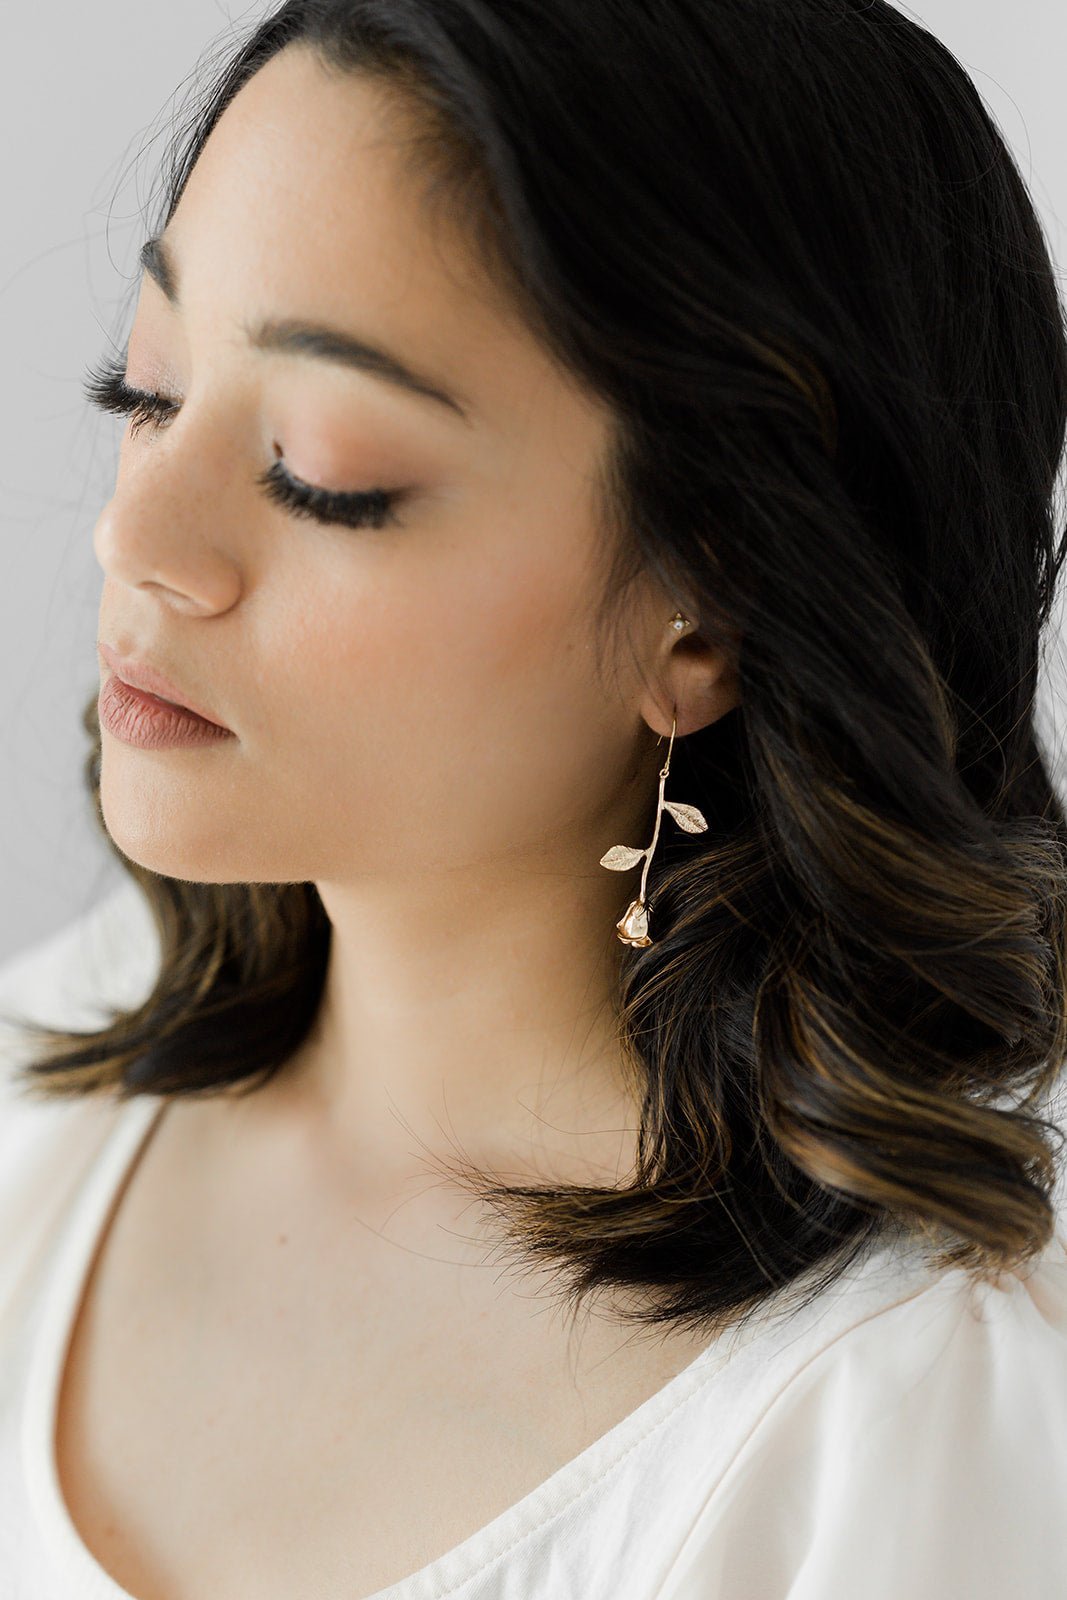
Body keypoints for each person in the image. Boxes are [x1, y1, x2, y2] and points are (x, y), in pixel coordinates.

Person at [2, 2, 1066, 1596]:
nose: (138, 532)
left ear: (706, 615)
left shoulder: (891, 1429)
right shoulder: (44, 1092)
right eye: (145, 388)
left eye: (321, 470)